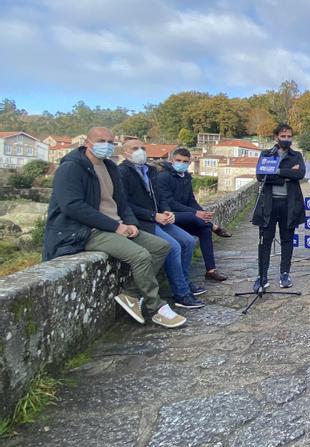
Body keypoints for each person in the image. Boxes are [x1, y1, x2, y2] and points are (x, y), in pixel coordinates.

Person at [42, 127, 186, 328]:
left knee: (161, 246)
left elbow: (121, 201)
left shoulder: (109, 167)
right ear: (87, 142)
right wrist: (114, 226)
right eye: (102, 141)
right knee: (141, 256)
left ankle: (131, 295)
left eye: (111, 142)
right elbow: (72, 206)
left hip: (115, 225)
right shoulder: (72, 168)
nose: (107, 146)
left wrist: (131, 223)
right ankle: (157, 307)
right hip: (86, 230)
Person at [118, 139, 205, 309]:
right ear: (125, 152)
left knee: (188, 241)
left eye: (143, 148)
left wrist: (166, 211)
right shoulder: (121, 172)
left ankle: (184, 283)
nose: (140, 151)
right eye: (135, 148)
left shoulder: (150, 170)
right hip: (142, 221)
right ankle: (181, 293)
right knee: (173, 246)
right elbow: (125, 204)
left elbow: (160, 196)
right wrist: (153, 215)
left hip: (158, 217)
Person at [156, 148, 229, 283]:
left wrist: (202, 213)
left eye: (185, 161)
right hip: (169, 216)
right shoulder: (163, 177)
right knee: (192, 217)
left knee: (204, 229)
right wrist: (195, 213)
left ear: (189, 163)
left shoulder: (186, 177)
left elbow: (191, 200)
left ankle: (211, 270)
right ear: (172, 160)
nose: (181, 163)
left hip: (184, 215)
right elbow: (169, 202)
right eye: (178, 160)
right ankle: (214, 226)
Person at [251, 124, 306, 292]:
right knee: (265, 241)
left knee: (287, 240)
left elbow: (300, 174)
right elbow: (261, 176)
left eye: (289, 136)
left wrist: (276, 171)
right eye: (284, 136)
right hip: (268, 203)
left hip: (289, 204)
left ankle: (284, 274)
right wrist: (286, 175)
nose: (287, 139)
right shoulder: (266, 154)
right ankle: (262, 276)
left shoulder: (297, 155)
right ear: (276, 137)